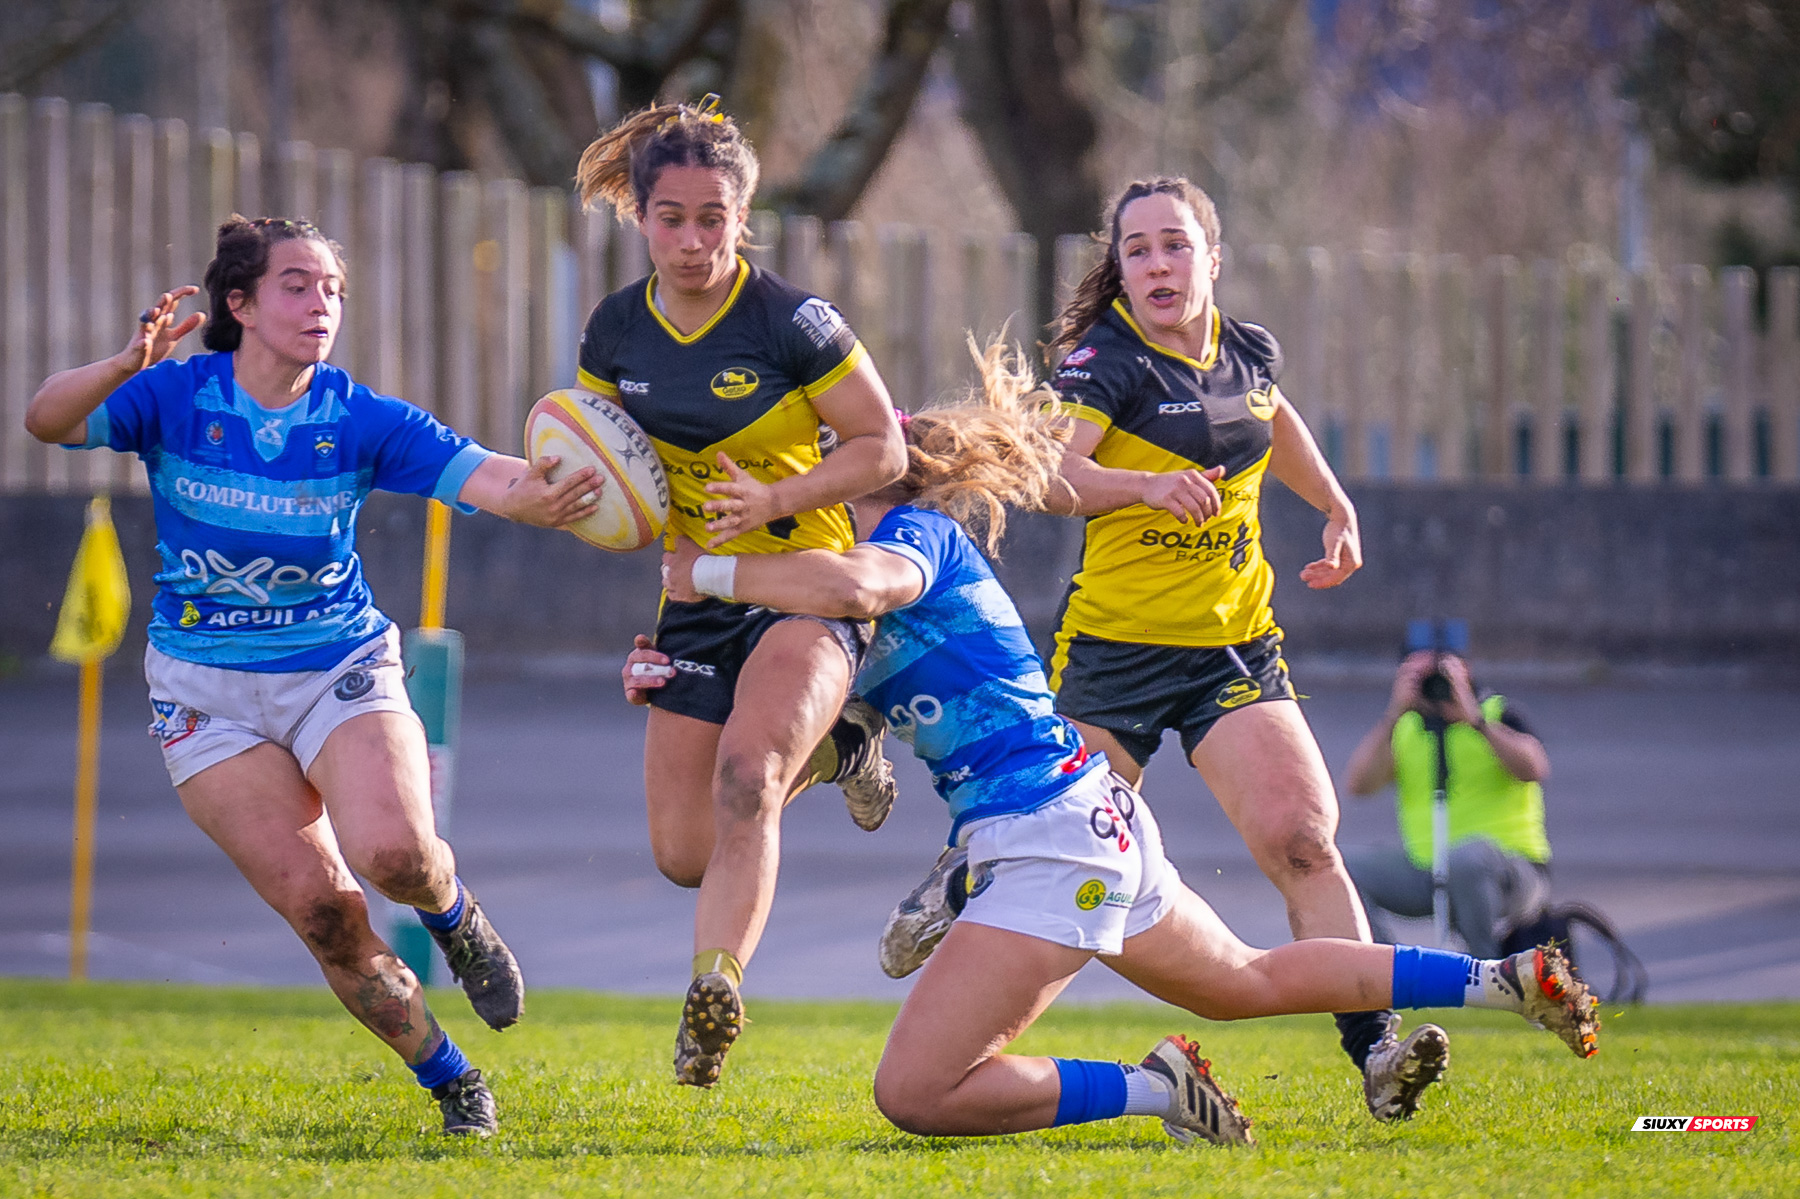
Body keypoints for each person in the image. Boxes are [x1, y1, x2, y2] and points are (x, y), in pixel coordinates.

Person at [627, 347, 1599, 1143]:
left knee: (915, 1089)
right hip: (1087, 815)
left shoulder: (915, 538)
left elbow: (855, 588)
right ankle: (1504, 978)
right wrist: (677, 684)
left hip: (1050, 839)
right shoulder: (842, 572)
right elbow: (789, 748)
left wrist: (707, 572)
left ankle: (1155, 1088)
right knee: (1247, 980)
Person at [23, 216, 601, 1137]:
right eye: (297, 284)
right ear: (240, 304)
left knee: (396, 858)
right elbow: (46, 419)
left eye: (332, 287)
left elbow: (494, 481)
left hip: (337, 667)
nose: (321, 304)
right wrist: (126, 362)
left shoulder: (358, 415)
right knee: (328, 914)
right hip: (205, 695)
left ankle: (454, 914)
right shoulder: (171, 397)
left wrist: (560, 494)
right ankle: (454, 1082)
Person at [1036, 175, 1435, 1120]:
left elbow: (1272, 416)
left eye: (1175, 244)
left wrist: (1334, 504)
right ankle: (960, 907)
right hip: (1115, 650)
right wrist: (1144, 489)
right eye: (1137, 250)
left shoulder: (1246, 349)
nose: (1157, 263)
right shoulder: (1106, 363)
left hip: (1234, 650)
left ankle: (1376, 1048)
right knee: (1060, 865)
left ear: (1212, 256)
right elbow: (1051, 476)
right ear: (1120, 268)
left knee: (1305, 841)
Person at [572, 97, 908, 1087]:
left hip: (807, 583)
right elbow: (610, 472)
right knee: (684, 849)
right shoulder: (613, 332)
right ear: (639, 214)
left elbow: (883, 444)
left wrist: (781, 491)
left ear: (742, 214)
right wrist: (570, 497)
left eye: (711, 217)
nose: (690, 239)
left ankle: (712, 993)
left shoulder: (791, 320)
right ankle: (847, 741)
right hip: (698, 596)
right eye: (671, 217)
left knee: (749, 777)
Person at [1342, 646, 1553, 958]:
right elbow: (1359, 785)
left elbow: (1534, 768)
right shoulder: (1406, 728)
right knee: (1336, 868)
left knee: (1467, 859)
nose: (1434, 687)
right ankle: (1386, 972)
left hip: (1510, 871)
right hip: (1428, 872)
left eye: (1440, 676)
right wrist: (1394, 714)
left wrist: (1475, 720)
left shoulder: (1499, 714)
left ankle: (1487, 976)